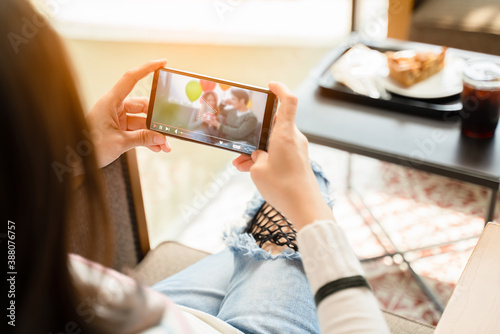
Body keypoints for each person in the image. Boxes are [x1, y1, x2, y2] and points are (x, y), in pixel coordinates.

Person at [1, 1, 390, 333]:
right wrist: (308, 207)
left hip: (170, 314)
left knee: (259, 240)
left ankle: (262, 240)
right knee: (306, 183)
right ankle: (273, 231)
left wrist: (72, 160)